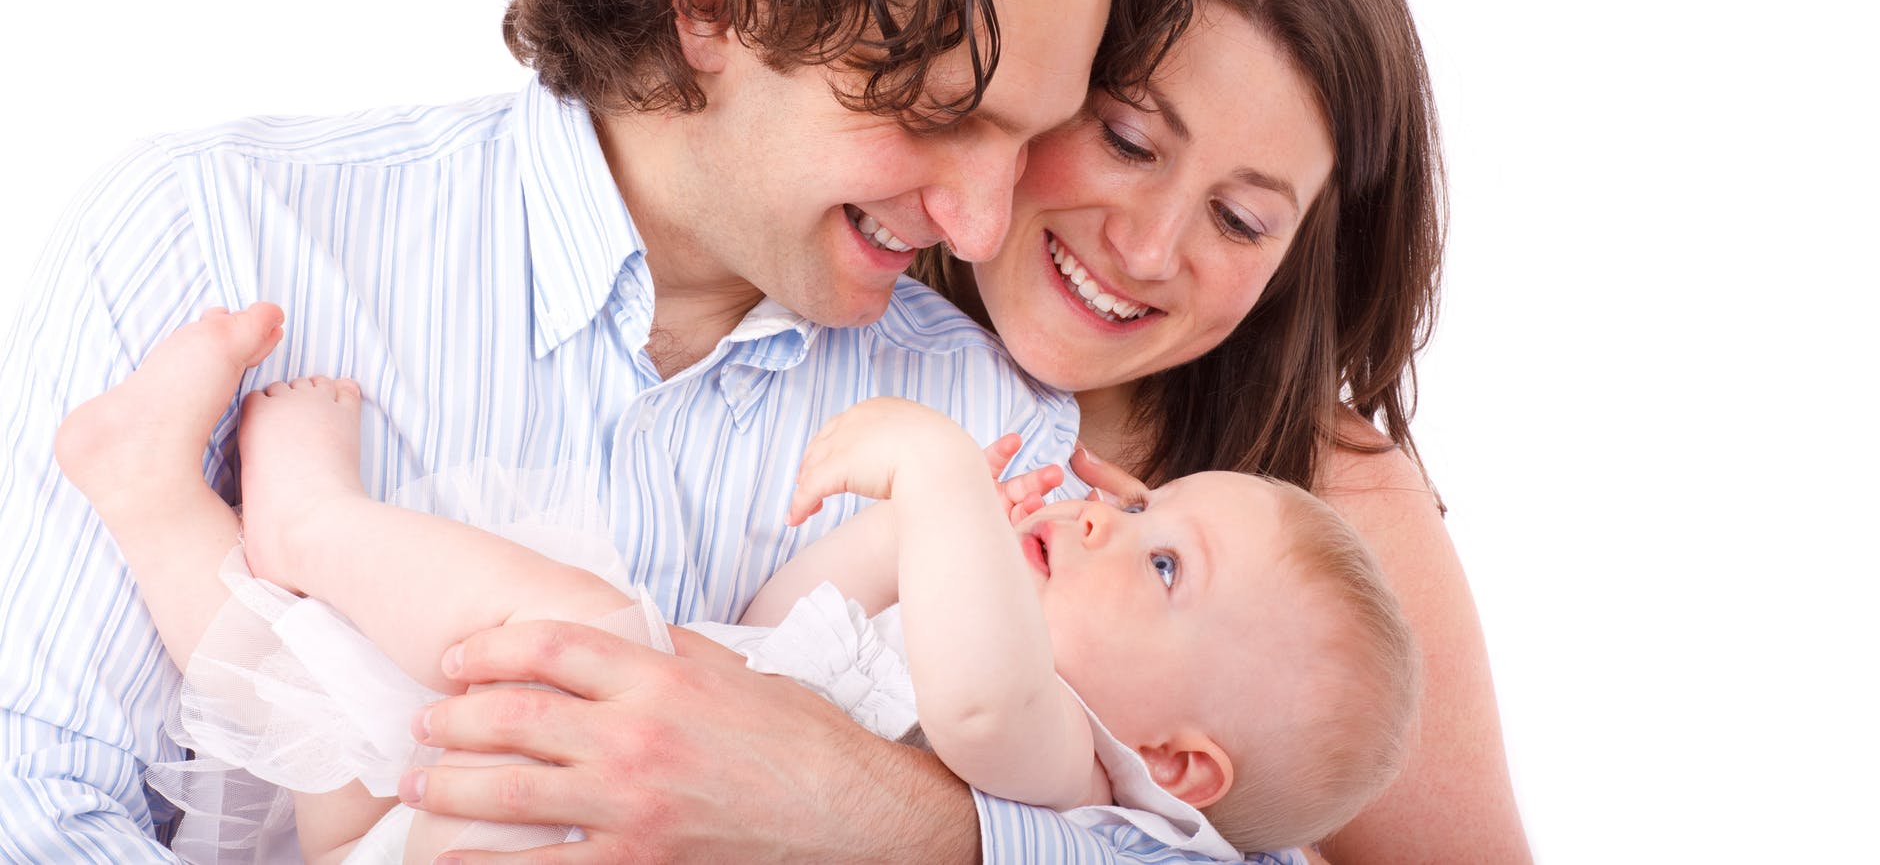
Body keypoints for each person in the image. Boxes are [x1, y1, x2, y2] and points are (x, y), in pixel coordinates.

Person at [0, 0, 1229, 864]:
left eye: (1023, 139)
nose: (976, 224)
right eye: (930, 111)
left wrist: (878, 815)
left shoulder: (987, 427)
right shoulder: (209, 236)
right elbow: (33, 806)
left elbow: (1210, 827)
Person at [55, 305, 1418, 861]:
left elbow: (990, 708)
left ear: (1187, 765)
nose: (1107, 525)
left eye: (1164, 560)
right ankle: (153, 500)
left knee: (586, 633)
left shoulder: (1102, 785)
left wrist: (936, 482)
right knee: (337, 732)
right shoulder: (998, 667)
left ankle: (311, 524)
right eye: (1143, 510)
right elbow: (778, 635)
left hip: (582, 815)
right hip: (534, 812)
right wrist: (897, 550)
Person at [918, 0, 1532, 862]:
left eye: (1239, 218)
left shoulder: (1339, 512)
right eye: (1124, 138)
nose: (1147, 247)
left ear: (1294, 256)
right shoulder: (827, 319)